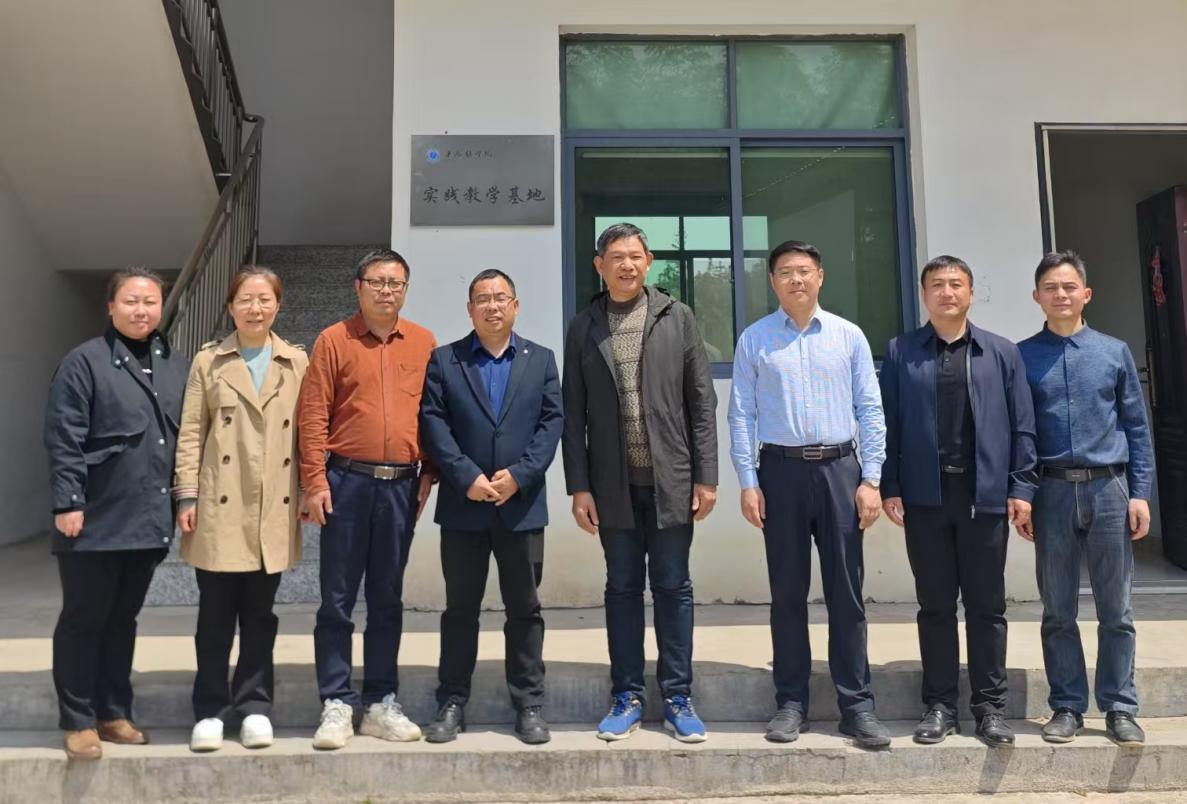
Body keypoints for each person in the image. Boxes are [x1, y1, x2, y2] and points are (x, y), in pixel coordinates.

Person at [728, 240, 889, 748]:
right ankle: (791, 703)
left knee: (847, 594)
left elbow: (870, 409)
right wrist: (748, 481)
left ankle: (856, 705)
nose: (795, 279)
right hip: (780, 473)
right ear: (772, 281)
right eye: (785, 272)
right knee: (787, 593)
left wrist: (871, 479)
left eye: (804, 270)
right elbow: (741, 414)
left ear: (820, 276)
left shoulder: (848, 335)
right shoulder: (755, 340)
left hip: (841, 471)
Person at [562, 222, 718, 743]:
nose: (626, 265)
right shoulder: (584, 326)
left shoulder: (678, 317)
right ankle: (626, 695)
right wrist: (579, 487)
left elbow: (702, 402)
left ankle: (677, 696)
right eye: (616, 257)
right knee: (623, 588)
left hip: (672, 480)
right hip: (613, 487)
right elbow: (573, 414)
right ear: (599, 266)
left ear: (648, 262)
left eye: (635, 256)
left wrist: (706, 477)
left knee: (673, 587)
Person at [879, 255, 1037, 747]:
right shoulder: (902, 351)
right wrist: (890, 485)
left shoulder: (1001, 352)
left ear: (970, 292)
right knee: (935, 606)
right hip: (926, 498)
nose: (947, 292)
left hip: (984, 497)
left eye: (956, 284)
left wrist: (1022, 488)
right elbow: (887, 424)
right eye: (937, 285)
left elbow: (1022, 425)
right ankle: (940, 706)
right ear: (923, 294)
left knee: (987, 606)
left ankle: (990, 708)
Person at [43, 267, 190, 760]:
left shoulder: (173, 364)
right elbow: (64, 435)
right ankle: (78, 720)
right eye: (130, 301)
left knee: (122, 620)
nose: (141, 310)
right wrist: (69, 501)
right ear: (111, 307)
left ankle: (113, 713)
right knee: (84, 620)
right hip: (93, 518)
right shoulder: (84, 362)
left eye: (150, 302)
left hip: (147, 519)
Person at [297, 248, 436, 750]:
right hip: (346, 484)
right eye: (377, 282)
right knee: (337, 599)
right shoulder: (334, 340)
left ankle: (380, 702)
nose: (386, 291)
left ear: (405, 290)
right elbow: (314, 414)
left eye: (395, 283)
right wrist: (315, 481)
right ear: (358, 287)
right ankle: (337, 700)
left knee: (387, 597)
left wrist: (430, 472)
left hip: (401, 486)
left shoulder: (422, 342)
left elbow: (432, 414)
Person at [419, 269, 563, 745]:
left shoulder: (541, 360)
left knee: (525, 609)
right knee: (460, 609)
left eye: (501, 298)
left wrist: (520, 475)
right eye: (483, 299)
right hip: (464, 508)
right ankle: (452, 701)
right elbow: (434, 424)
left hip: (521, 508)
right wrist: (467, 477)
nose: (493, 306)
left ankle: (529, 704)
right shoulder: (445, 360)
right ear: (470, 309)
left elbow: (551, 424)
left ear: (516, 306)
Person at [1018, 250, 1154, 746]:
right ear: (1037, 297)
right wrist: (1023, 493)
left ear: (1086, 294)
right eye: (1051, 287)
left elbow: (1137, 427)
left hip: (1109, 488)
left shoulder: (1113, 352)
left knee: (1116, 608)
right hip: (1051, 491)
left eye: (1069, 286)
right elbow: (1020, 434)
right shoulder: (1022, 356)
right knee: (1058, 609)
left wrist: (1140, 493)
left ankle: (1120, 706)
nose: (1061, 294)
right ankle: (1067, 706)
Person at [172, 266, 309, 752]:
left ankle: (254, 707)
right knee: (214, 616)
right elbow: (192, 431)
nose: (255, 308)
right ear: (230, 307)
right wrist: (187, 494)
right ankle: (209, 709)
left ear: (278, 305)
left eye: (264, 299)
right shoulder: (209, 361)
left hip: (273, 506)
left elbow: (309, 432)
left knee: (260, 616)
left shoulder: (296, 361)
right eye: (245, 300)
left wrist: (310, 488)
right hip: (220, 505)